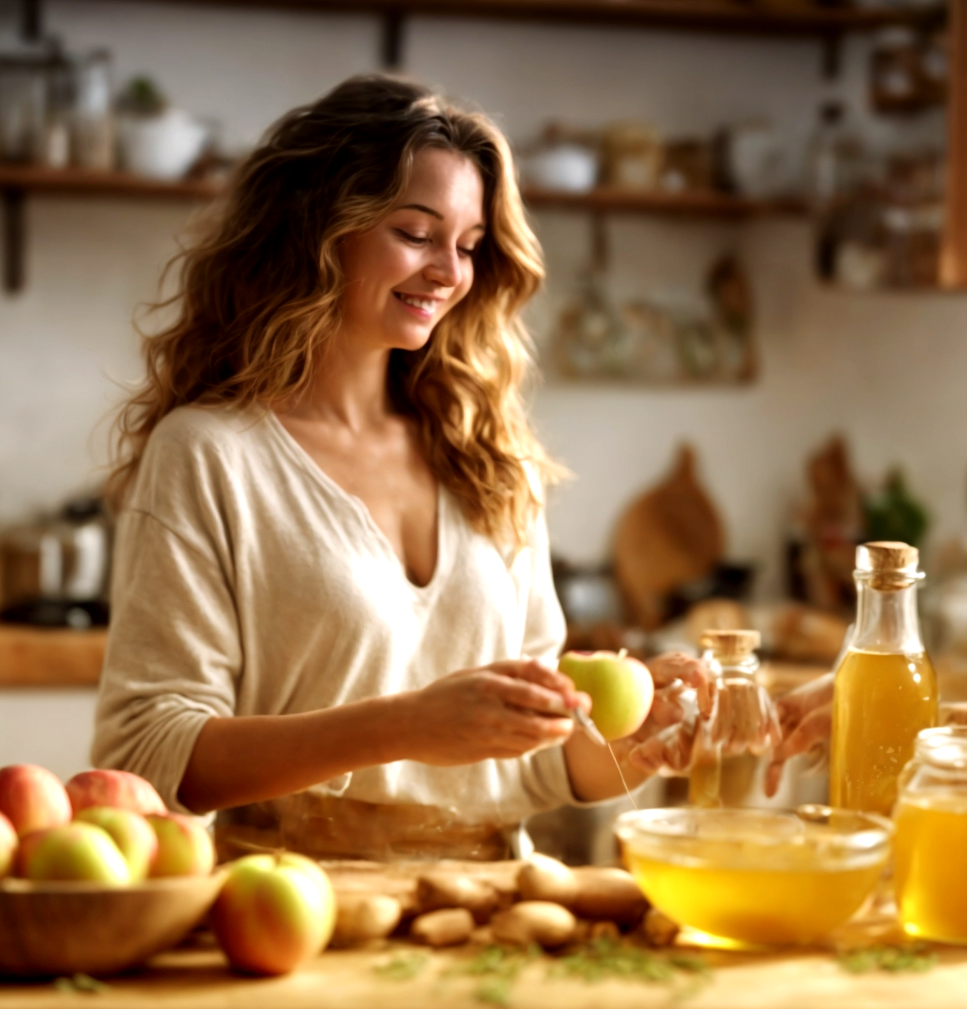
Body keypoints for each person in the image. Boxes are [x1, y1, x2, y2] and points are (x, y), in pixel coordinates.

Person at [92, 76, 700, 861]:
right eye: (416, 232)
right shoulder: (210, 454)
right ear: (318, 230)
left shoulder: (487, 453)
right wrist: (407, 724)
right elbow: (147, 755)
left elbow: (536, 760)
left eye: (471, 246)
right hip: (295, 909)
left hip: (489, 909)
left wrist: (633, 744)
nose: (449, 271)